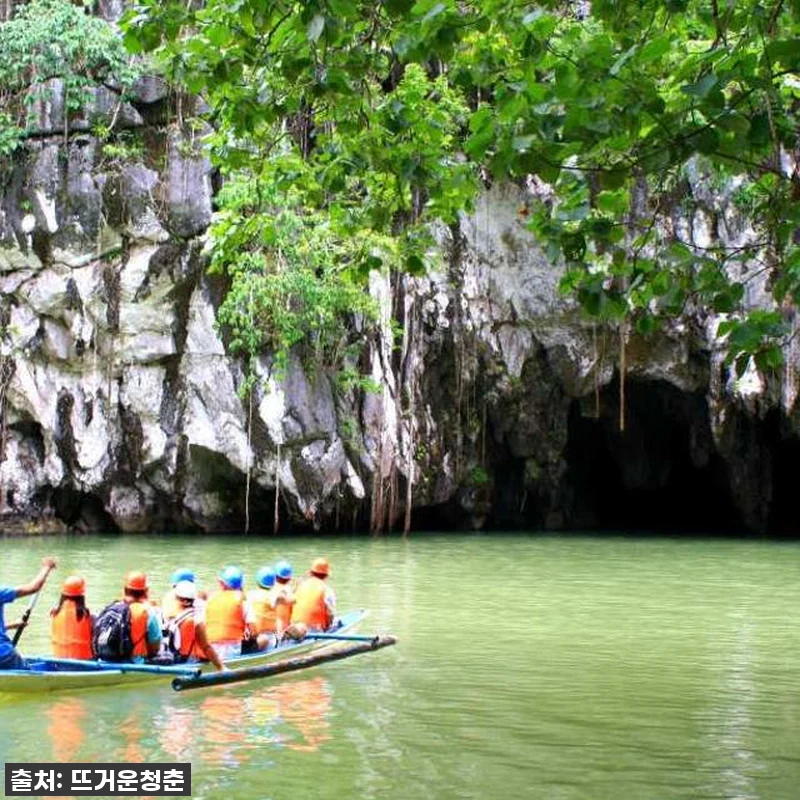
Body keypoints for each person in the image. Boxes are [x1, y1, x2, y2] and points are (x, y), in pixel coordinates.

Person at [0, 556, 57, 670]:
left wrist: (11, 625)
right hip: (3, 654)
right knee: (27, 671)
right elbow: (33, 588)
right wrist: (47, 567)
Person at [165, 581, 225, 671]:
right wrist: (221, 667)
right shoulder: (195, 621)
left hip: (176, 659)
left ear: (184, 601)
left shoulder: (173, 617)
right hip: (191, 661)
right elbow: (206, 647)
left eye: (176, 598)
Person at [205, 566, 255, 659]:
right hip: (232, 648)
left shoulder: (210, 599)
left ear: (223, 584)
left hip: (210, 647)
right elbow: (253, 632)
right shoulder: (243, 601)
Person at [50, 575, 93, 659]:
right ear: (82, 596)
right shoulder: (86, 614)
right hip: (83, 662)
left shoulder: (54, 613)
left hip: (58, 661)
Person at [123, 571, 162, 662]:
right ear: (145, 591)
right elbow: (155, 646)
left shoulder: (114, 608)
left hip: (110, 659)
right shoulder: (148, 613)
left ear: (125, 590)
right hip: (136, 662)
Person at [291, 558, 336, 631]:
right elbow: (330, 614)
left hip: (294, 627)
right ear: (326, 575)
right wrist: (328, 628)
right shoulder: (327, 590)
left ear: (311, 573)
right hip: (314, 630)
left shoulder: (300, 586)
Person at [248, 566, 280, 649]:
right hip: (269, 638)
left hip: (252, 637)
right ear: (273, 583)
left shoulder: (250, 594)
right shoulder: (274, 596)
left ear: (257, 581)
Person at [273, 560, 296, 633]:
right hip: (285, 630)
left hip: (271, 629)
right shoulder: (290, 592)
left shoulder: (269, 589)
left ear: (275, 576)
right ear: (289, 578)